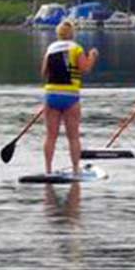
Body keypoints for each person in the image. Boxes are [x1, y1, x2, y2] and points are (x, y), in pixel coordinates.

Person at [41, 19, 99, 174]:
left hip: (51, 95)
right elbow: (85, 68)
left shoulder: (50, 49)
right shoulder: (76, 48)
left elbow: (44, 72)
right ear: (72, 33)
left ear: (58, 34)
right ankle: (75, 169)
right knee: (73, 137)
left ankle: (48, 170)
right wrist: (92, 56)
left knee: (50, 136)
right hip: (70, 96)